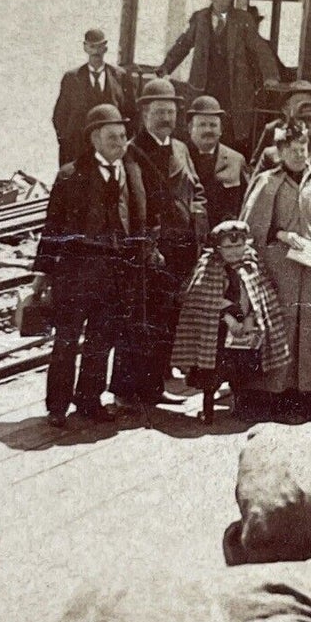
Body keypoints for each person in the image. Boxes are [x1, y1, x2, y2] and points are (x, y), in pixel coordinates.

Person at [33, 103, 148, 428]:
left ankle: (89, 400)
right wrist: (43, 272)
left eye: (123, 136)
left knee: (101, 342)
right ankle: (57, 406)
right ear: (95, 138)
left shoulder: (132, 170)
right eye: (113, 136)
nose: (120, 142)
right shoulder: (71, 174)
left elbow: (139, 217)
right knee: (66, 341)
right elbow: (52, 226)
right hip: (76, 275)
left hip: (115, 275)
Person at [113, 78, 208, 410]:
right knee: (137, 321)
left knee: (166, 320)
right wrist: (146, 245)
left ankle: (154, 388)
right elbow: (130, 203)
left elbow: (196, 189)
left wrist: (198, 217)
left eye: (170, 111)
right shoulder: (132, 151)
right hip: (149, 250)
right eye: (159, 112)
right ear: (144, 113)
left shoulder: (181, 148)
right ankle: (126, 392)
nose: (166, 118)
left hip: (180, 250)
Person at [241, 119, 311, 405]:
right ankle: (275, 392)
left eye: (302, 148)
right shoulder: (267, 181)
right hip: (279, 264)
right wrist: (283, 234)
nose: (298, 154)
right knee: (281, 325)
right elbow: (254, 224)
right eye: (291, 149)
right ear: (280, 152)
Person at [172, 220, 291, 423]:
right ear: (218, 248)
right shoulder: (209, 267)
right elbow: (202, 298)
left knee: (241, 372)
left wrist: (251, 318)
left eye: (239, 246)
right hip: (218, 331)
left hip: (245, 327)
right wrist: (229, 317)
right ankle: (207, 410)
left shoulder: (251, 264)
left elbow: (261, 295)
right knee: (212, 374)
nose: (235, 251)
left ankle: (240, 407)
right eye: (229, 247)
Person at [157, 0, 281, 151]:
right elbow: (183, 45)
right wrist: (165, 68)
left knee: (229, 132)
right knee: (201, 127)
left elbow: (260, 48)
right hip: (203, 87)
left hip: (233, 89)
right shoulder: (199, 19)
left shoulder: (242, 20)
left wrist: (271, 76)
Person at [51, 28, 135, 167]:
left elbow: (132, 114)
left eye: (100, 46)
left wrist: (121, 143)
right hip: (78, 151)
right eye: (92, 46)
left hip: (111, 151)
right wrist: (68, 143)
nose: (96, 51)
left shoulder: (120, 77)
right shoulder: (72, 78)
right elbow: (59, 116)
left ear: (106, 47)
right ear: (85, 48)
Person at [183, 94, 250, 228]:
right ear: (190, 128)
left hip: (225, 238)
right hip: (188, 236)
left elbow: (247, 202)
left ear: (221, 129)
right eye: (202, 125)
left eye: (213, 125)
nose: (208, 130)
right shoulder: (179, 158)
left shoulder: (236, 160)